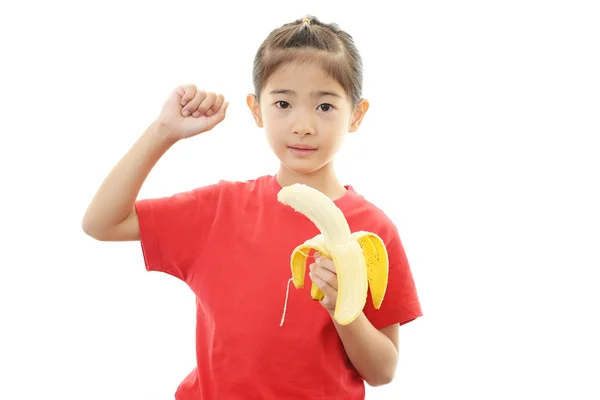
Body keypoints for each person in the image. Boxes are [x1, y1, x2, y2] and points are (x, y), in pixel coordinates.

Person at [82, 15, 422, 400]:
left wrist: (342, 308)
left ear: (356, 115)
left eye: (325, 106)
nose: (303, 125)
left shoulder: (372, 231)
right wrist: (164, 132)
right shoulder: (219, 210)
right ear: (256, 108)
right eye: (283, 103)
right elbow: (101, 223)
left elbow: (383, 371)